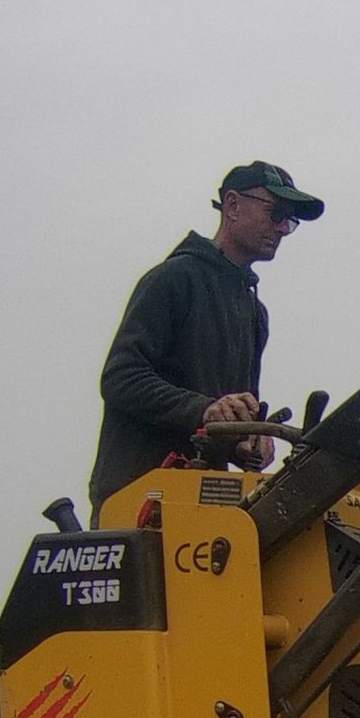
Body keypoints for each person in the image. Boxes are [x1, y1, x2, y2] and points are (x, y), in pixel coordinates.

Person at [88, 161, 325, 524]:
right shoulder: (173, 279)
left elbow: (231, 412)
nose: (282, 227)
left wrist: (249, 440)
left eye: (290, 221)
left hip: (207, 507)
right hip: (139, 501)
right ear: (232, 206)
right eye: (275, 211)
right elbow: (120, 378)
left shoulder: (253, 312)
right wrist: (204, 409)